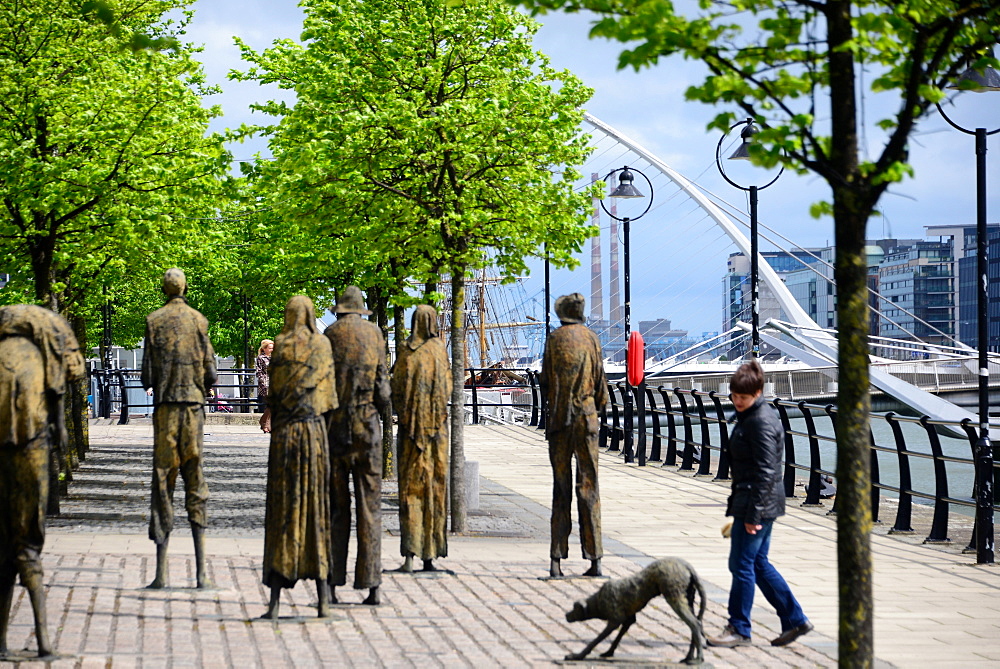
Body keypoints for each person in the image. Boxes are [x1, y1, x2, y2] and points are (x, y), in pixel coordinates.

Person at [707, 359, 813, 648]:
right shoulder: (751, 417)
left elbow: (767, 472)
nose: (737, 401)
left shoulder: (760, 422)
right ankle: (795, 619)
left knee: (741, 564)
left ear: (757, 393)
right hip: (756, 500)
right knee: (757, 563)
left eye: (743, 397)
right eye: (734, 396)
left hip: (757, 504)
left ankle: (739, 628)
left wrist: (753, 515)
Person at [0, 305, 85, 659]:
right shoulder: (43, 355)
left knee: (5, 549)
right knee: (27, 547)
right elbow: (68, 380)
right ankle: (44, 641)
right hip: (29, 449)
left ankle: (3, 641)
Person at [261, 295, 338, 619]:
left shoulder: (280, 346)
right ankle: (322, 599)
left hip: (285, 437)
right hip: (314, 434)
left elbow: (274, 395)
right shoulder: (321, 346)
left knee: (282, 509)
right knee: (316, 510)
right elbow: (330, 399)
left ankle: (276, 602)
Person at [141, 268, 217, 589]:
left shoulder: (153, 320)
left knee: (163, 482)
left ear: (163, 288)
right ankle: (201, 575)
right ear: (185, 287)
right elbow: (211, 373)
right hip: (193, 410)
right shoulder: (199, 320)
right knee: (195, 479)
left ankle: (161, 574)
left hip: (166, 411)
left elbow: (146, 376)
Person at [324, 286, 390, 605]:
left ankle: (332, 584)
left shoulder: (329, 334)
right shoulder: (375, 335)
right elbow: (384, 391)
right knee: (370, 507)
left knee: (337, 508)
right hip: (367, 428)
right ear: (361, 309)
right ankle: (372, 582)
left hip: (335, 428)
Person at [540, 293, 608, 578]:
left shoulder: (554, 340)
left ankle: (556, 559)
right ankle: (594, 559)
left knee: (561, 487)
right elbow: (600, 379)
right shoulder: (592, 338)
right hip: (586, 417)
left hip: (560, 419)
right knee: (589, 485)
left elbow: (545, 380)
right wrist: (597, 405)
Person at [391, 304, 452, 573]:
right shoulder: (439, 350)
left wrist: (407, 415)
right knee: (435, 488)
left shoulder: (405, 350)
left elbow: (396, 387)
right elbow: (447, 387)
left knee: (410, 490)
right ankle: (431, 554)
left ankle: (410, 554)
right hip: (437, 433)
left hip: (410, 431)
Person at [256, 339, 274, 433]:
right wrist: (264, 383)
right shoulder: (261, 358)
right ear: (264, 349)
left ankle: (264, 422)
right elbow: (259, 372)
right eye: (270, 348)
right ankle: (266, 425)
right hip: (265, 385)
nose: (272, 350)